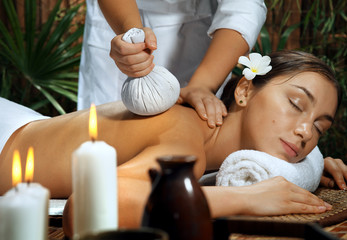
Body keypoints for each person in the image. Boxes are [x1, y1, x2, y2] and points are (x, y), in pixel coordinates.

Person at [0, 51, 346, 237]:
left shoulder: (204, 138)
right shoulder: (187, 141)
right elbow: (90, 206)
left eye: (319, 127)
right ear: (243, 91)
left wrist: (314, 166)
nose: (304, 131)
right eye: (296, 104)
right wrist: (244, 197)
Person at [78, 0, 267, 128]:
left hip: (200, 39)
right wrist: (132, 34)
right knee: (106, 139)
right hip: (116, 22)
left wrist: (203, 85)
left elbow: (244, 6)